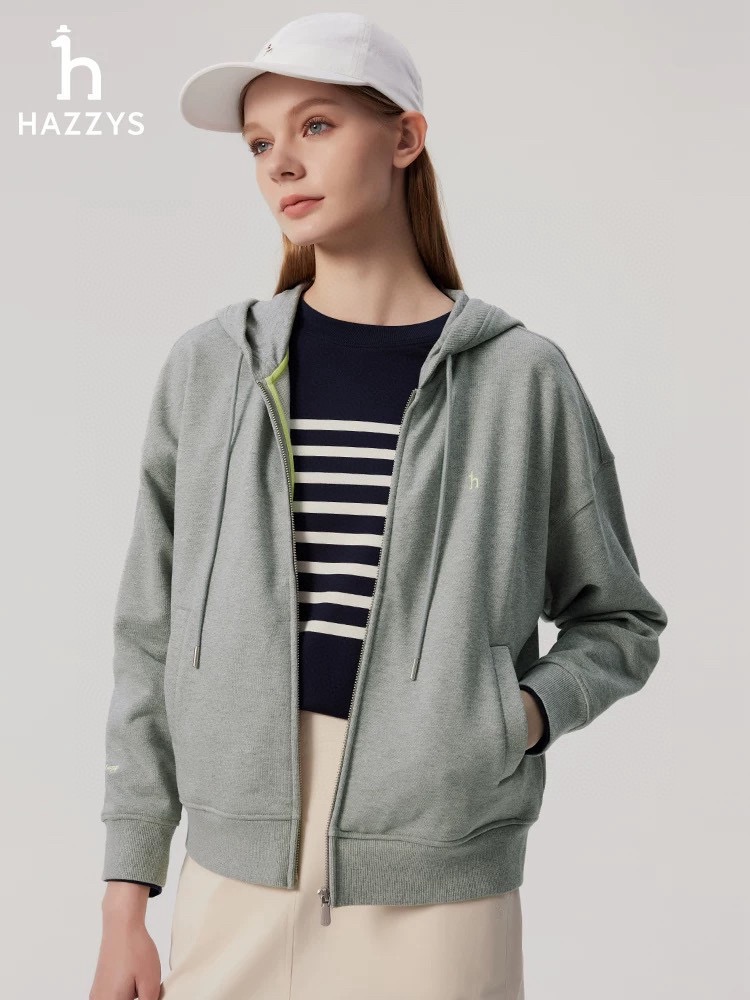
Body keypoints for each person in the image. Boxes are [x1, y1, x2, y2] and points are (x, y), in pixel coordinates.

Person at [89, 12, 668, 1000]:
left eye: (316, 126)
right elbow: (150, 634)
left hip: (439, 875)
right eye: (260, 144)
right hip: (234, 867)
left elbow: (619, 619)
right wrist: (123, 903)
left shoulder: (521, 379)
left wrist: (510, 718)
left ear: (405, 138)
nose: (281, 163)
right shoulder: (212, 368)